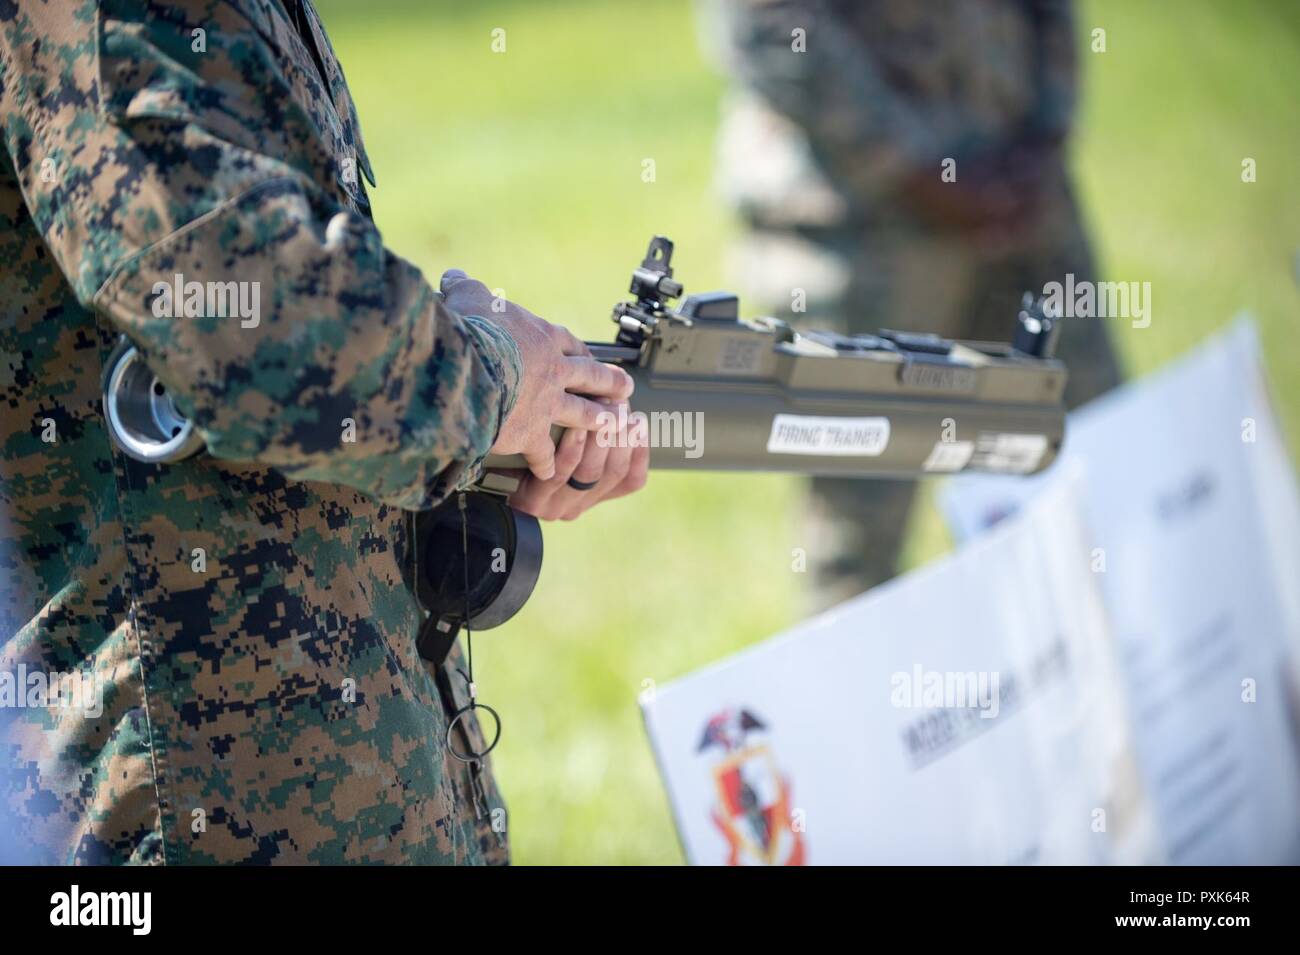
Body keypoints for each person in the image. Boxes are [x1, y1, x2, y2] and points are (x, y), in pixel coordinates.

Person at [0, 0, 646, 864]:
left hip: (322, 780)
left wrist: (495, 411)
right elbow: (244, 310)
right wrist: (492, 382)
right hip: (179, 805)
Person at [707, 0, 1124, 609]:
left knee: (1093, 472)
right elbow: (767, 18)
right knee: (860, 545)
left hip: (1030, 199)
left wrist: (1049, 129)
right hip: (859, 219)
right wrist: (910, 169)